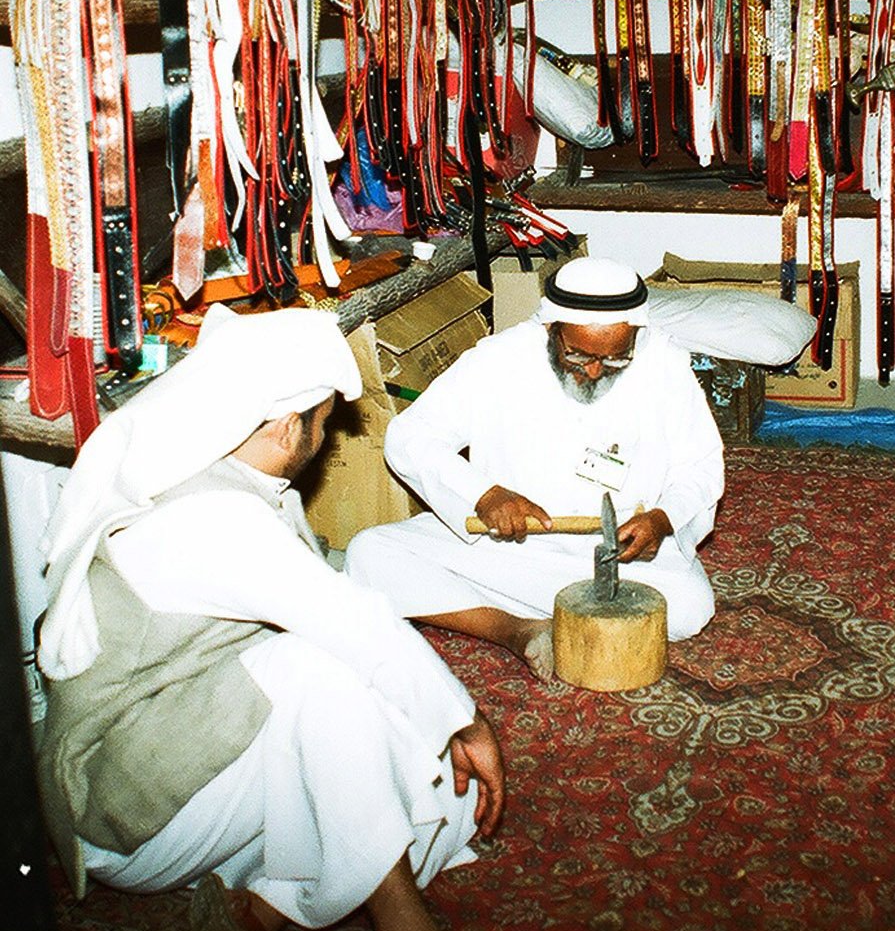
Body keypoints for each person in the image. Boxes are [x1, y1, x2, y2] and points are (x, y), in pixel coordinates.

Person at [36, 306, 503, 931]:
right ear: (286, 428)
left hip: (198, 731)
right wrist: (468, 722)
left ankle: (264, 908)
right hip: (124, 807)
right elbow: (356, 627)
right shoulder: (210, 518)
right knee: (325, 672)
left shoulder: (230, 476)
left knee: (436, 781)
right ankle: (397, 910)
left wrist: (436, 722)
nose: (327, 438)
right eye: (325, 422)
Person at [345, 256, 725, 679]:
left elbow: (701, 466)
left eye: (616, 358)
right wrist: (484, 495)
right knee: (369, 554)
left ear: (636, 333)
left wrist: (662, 518)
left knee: (690, 606)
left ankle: (488, 601)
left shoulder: (665, 365)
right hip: (514, 547)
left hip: (618, 554)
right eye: (577, 355)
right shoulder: (497, 359)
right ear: (550, 328)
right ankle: (515, 630)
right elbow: (410, 436)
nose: (594, 370)